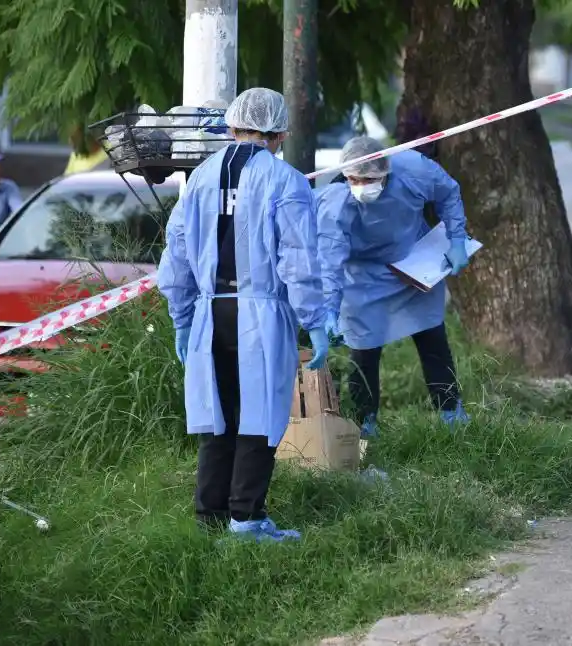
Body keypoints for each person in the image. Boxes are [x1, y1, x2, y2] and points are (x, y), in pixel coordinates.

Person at [157, 87, 331, 542]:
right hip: (261, 311)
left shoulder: (199, 178)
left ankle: (209, 515)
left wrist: (180, 317)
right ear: (278, 133)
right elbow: (298, 258)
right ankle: (247, 518)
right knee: (259, 413)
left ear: (232, 126)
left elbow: (175, 255)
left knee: (218, 415)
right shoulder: (285, 180)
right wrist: (314, 318)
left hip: (208, 311)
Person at [316, 136, 471, 437]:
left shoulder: (414, 169)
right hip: (363, 278)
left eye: (369, 178)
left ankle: (453, 415)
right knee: (364, 353)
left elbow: (449, 193)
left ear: (386, 170)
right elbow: (330, 258)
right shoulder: (335, 200)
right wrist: (329, 308)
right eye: (353, 179)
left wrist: (458, 239)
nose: (361, 185)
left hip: (412, 262)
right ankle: (364, 428)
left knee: (433, 340)